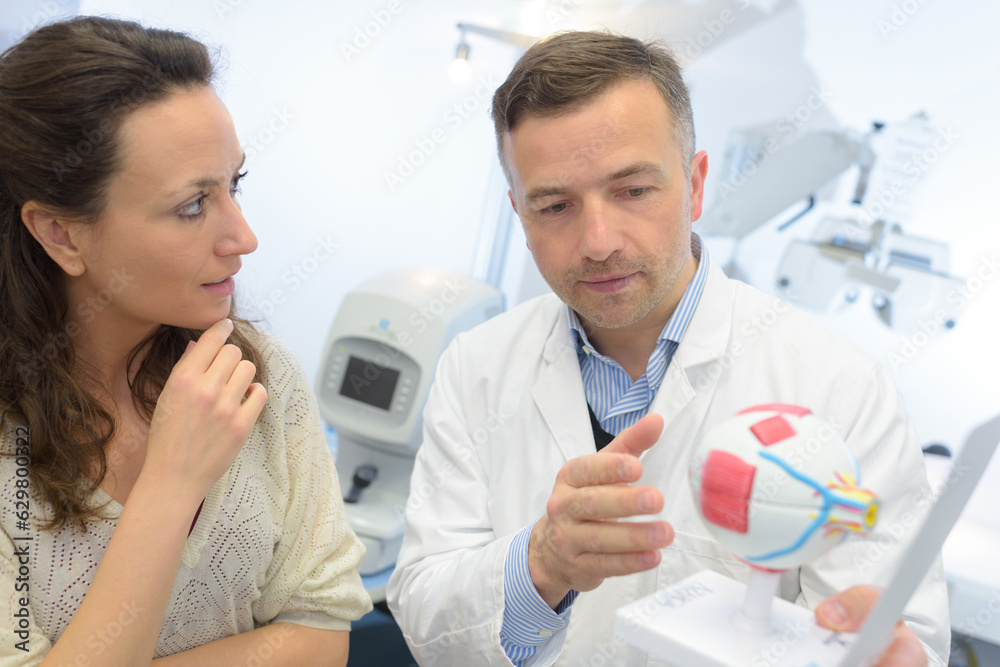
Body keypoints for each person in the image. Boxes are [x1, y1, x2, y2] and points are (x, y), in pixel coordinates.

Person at [387, 31, 949, 666]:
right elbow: (424, 612)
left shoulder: (837, 386)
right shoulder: (477, 365)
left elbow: (899, 637)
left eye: (633, 191)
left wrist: (887, 653)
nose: (598, 241)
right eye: (555, 206)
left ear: (696, 183)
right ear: (519, 212)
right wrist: (541, 563)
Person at [0, 16, 371, 665]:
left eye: (235, 184)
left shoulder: (258, 374)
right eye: (192, 205)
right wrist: (172, 483)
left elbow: (322, 636)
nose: (243, 236)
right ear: (61, 233)